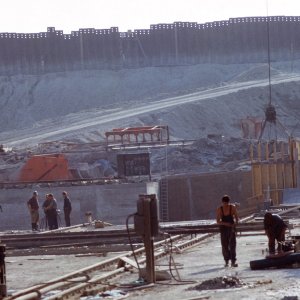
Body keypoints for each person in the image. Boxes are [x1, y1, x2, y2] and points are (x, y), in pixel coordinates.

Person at [216, 195, 239, 267]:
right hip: (223, 228)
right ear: (222, 202)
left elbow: (236, 218)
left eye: (227, 203)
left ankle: (233, 261)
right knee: (224, 245)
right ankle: (226, 260)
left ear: (229, 202)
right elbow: (218, 221)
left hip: (231, 228)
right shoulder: (220, 209)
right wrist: (226, 224)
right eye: (224, 203)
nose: (225, 205)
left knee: (232, 244)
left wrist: (234, 223)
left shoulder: (232, 208)